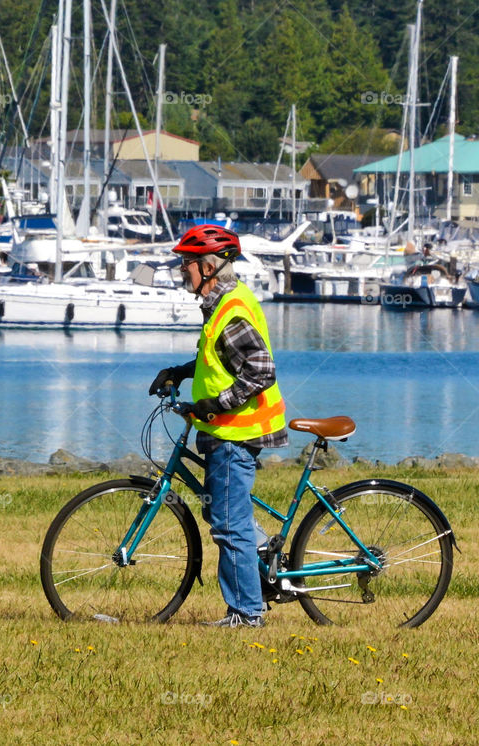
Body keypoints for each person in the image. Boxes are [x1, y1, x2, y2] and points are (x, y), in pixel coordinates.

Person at [149, 224, 288, 629]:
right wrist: (180, 372)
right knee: (224, 513)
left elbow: (261, 370)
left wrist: (214, 406)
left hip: (234, 432)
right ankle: (261, 560)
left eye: (186, 265)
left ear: (209, 267)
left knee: (229, 524)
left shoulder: (230, 310)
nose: (181, 272)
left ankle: (247, 614)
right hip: (224, 429)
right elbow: (222, 362)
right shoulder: (220, 305)